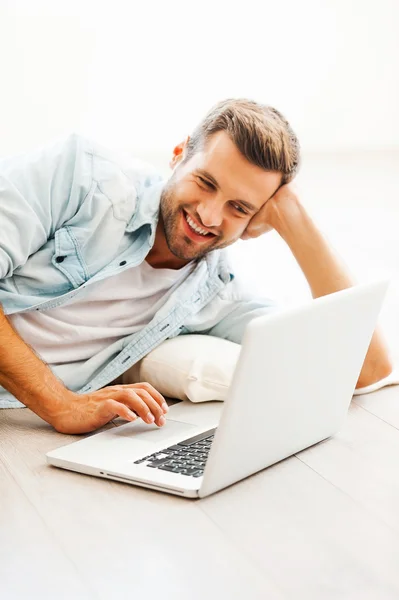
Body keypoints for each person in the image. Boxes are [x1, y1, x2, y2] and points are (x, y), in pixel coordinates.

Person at [0, 99, 392, 434]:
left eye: (238, 208)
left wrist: (296, 220)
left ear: (256, 223)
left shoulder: (216, 294)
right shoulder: (79, 174)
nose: (208, 215)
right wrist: (61, 405)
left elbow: (366, 370)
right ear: (178, 154)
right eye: (205, 182)